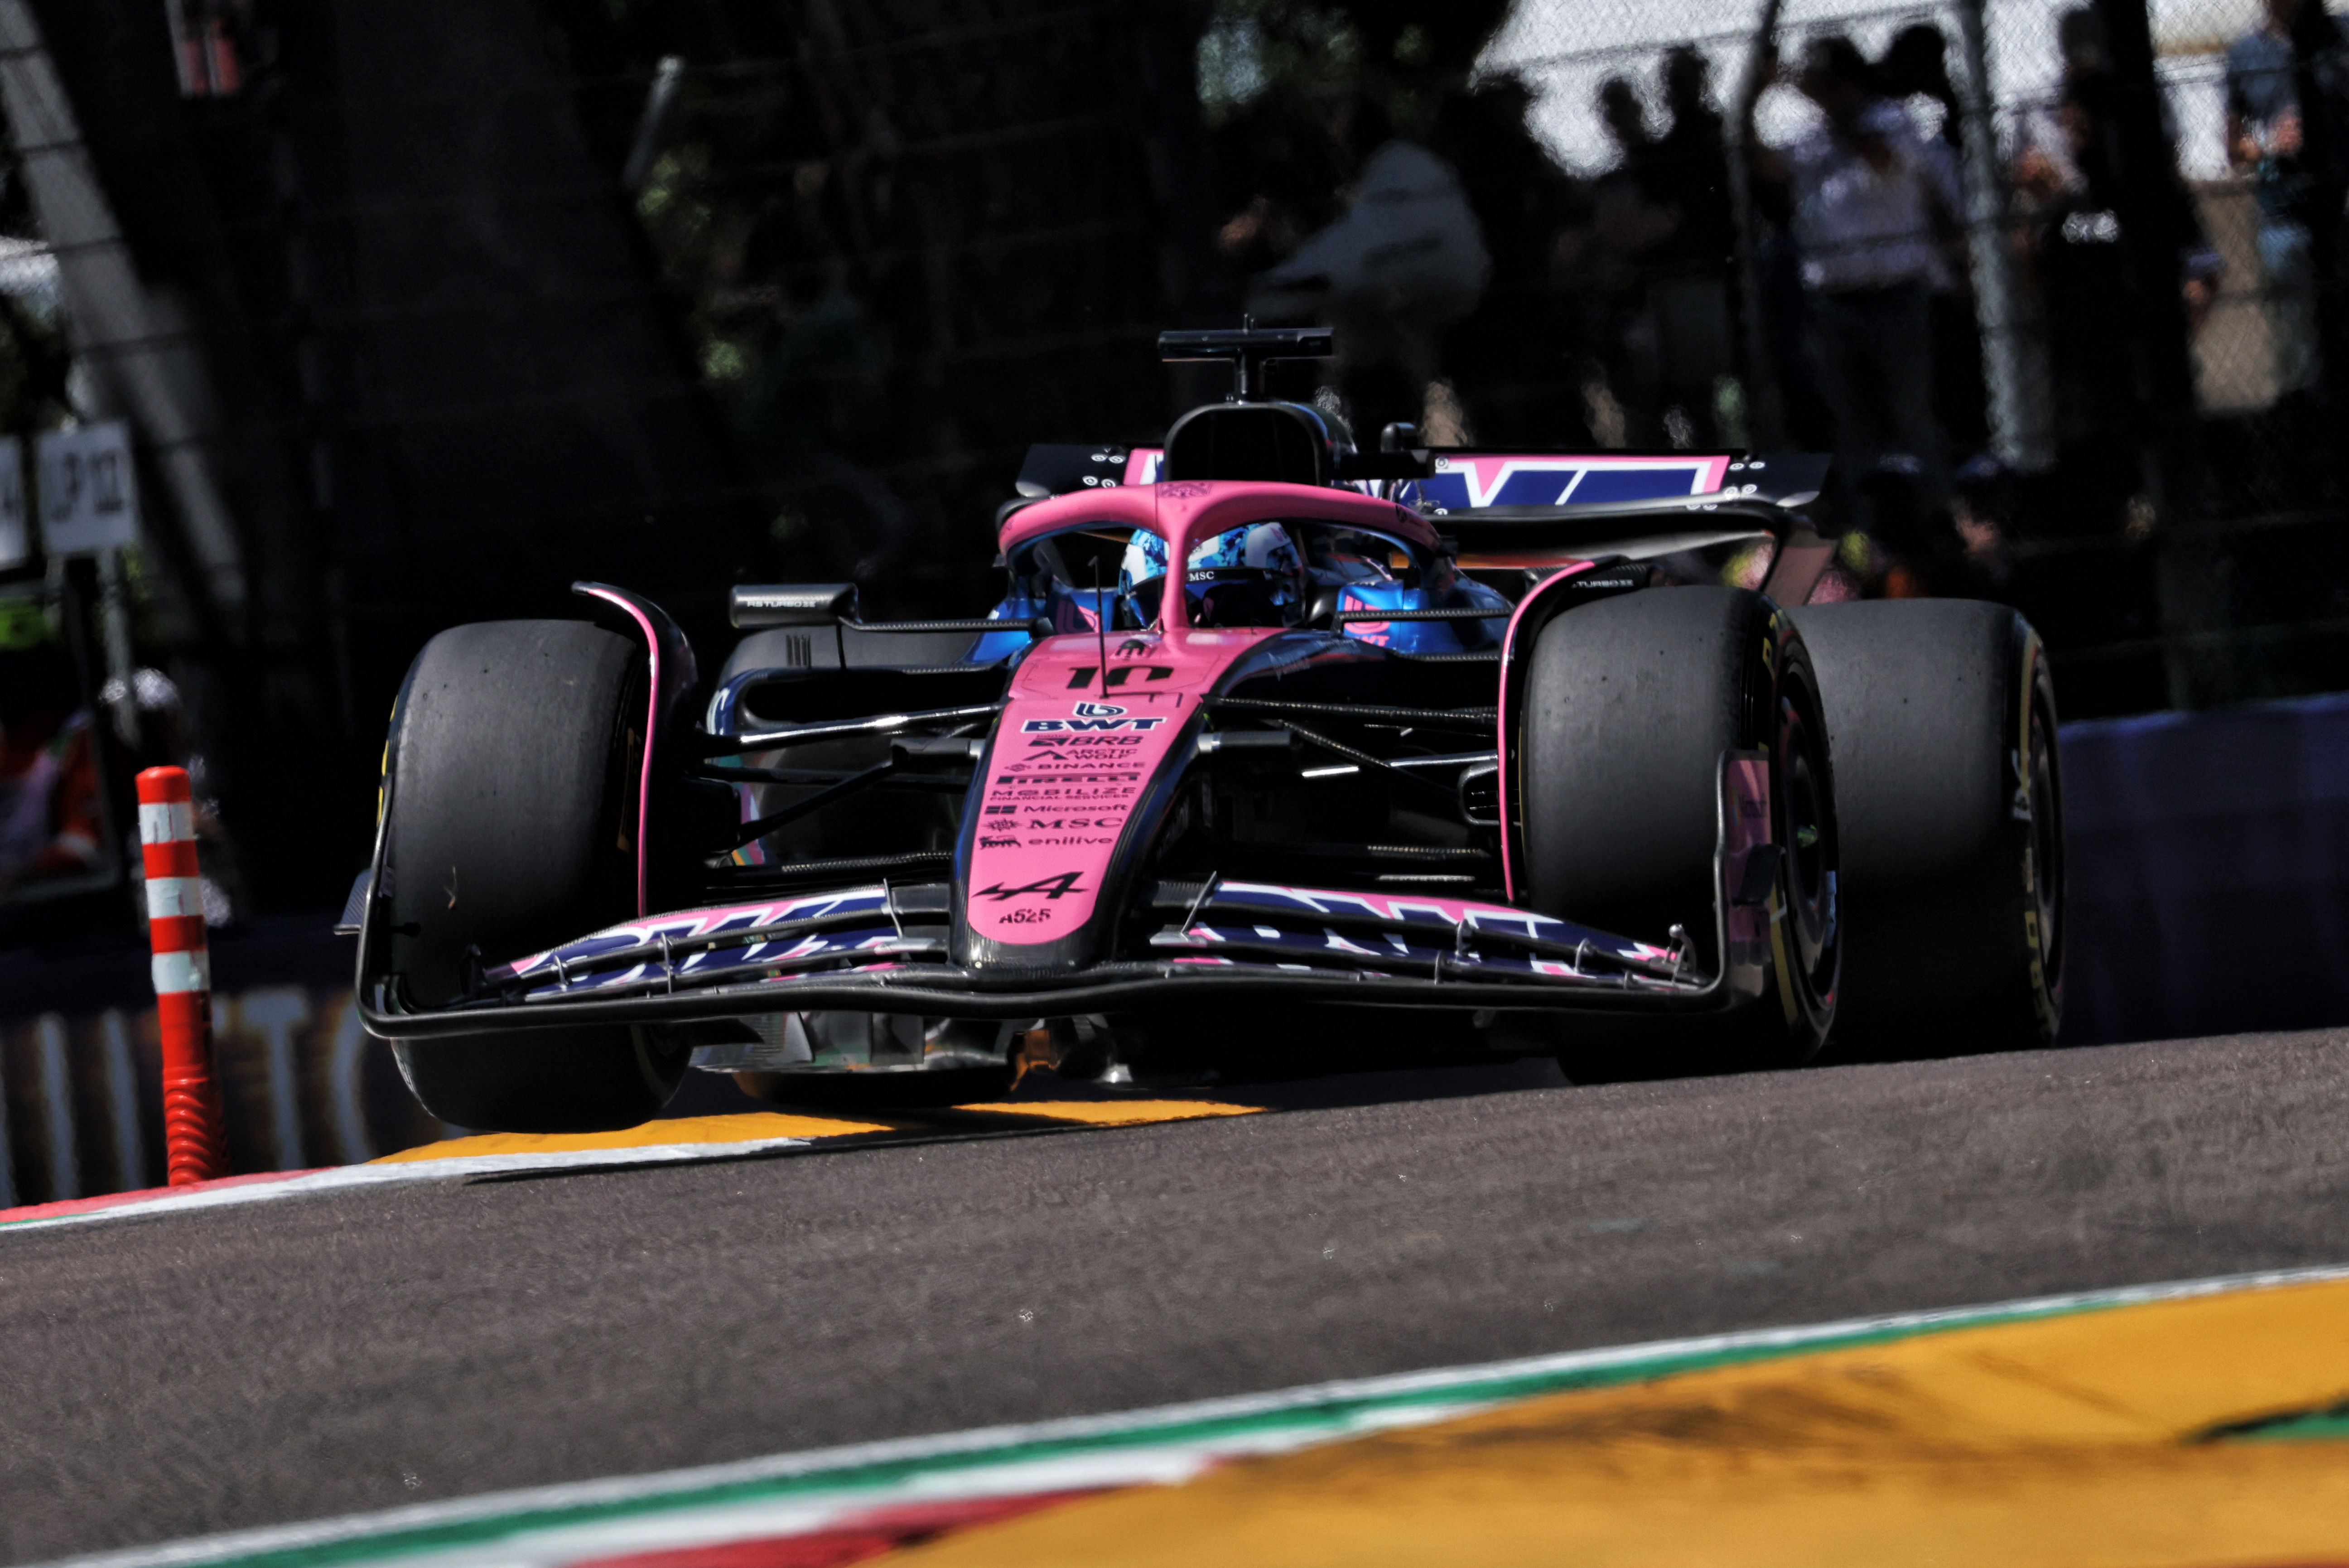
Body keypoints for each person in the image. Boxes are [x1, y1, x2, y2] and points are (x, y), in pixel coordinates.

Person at [1749, 35, 1959, 532]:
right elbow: (1769, 168)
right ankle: (1870, 526)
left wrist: (1830, 106)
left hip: (1895, 293)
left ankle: (1937, 514)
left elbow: (1885, 162)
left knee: (1910, 414)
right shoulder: (1809, 134)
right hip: (1833, 299)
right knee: (1851, 422)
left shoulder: (1893, 120)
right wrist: (1758, 97)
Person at [1249, 95, 1491, 438]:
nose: (1335, 147)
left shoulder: (1401, 175)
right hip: (1407, 337)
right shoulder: (1408, 174)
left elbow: (1354, 254)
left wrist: (1267, 292)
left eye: (1339, 135)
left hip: (1417, 347)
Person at [2224, 0, 2348, 397]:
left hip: (2340, 205)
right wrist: (2269, 144)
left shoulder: (2340, 34)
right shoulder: (2244, 53)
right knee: (2299, 345)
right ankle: (2313, 433)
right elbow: (2233, 147)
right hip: (2282, 212)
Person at [1645, 46, 1738, 447]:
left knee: (1713, 384)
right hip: (1701, 274)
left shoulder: (1716, 135)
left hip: (1715, 271)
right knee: (1702, 387)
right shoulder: (1682, 145)